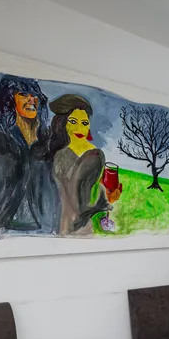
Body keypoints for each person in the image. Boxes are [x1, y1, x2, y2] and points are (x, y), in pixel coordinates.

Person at [0, 75, 61, 239]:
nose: (31, 100)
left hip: (43, 227)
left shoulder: (45, 137)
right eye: (23, 95)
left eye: (34, 96)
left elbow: (50, 183)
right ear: (9, 99)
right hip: (3, 225)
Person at [48, 94, 120, 236]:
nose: (80, 128)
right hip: (68, 227)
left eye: (85, 123)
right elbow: (81, 202)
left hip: (74, 228)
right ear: (62, 124)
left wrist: (105, 195)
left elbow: (87, 191)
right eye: (73, 121)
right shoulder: (87, 156)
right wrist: (107, 199)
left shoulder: (91, 154)